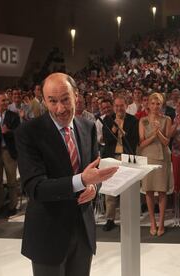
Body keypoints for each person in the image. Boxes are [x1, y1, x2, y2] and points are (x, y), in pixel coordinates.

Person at [15, 73, 118, 276]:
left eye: (65, 99)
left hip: (82, 230)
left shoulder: (87, 127)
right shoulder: (28, 133)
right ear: (44, 100)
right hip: (48, 233)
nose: (60, 108)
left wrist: (92, 188)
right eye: (52, 101)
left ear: (76, 96)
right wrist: (82, 181)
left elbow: (93, 174)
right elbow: (35, 188)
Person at [101, 95, 139, 231]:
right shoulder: (107, 119)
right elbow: (106, 139)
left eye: (121, 106)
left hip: (126, 158)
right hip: (111, 157)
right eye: (116, 106)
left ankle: (126, 218)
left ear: (126, 106)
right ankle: (110, 219)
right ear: (113, 106)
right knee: (110, 190)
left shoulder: (133, 120)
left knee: (126, 189)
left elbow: (134, 141)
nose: (118, 108)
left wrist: (123, 132)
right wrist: (114, 129)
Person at [139, 92, 172, 237]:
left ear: (161, 104)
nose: (155, 106)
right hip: (148, 158)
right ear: (148, 105)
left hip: (163, 157)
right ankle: (152, 222)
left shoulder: (167, 119)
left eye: (158, 103)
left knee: (162, 191)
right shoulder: (143, 121)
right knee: (149, 191)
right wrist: (153, 134)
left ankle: (162, 222)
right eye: (152, 103)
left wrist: (158, 132)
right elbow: (141, 144)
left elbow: (166, 142)